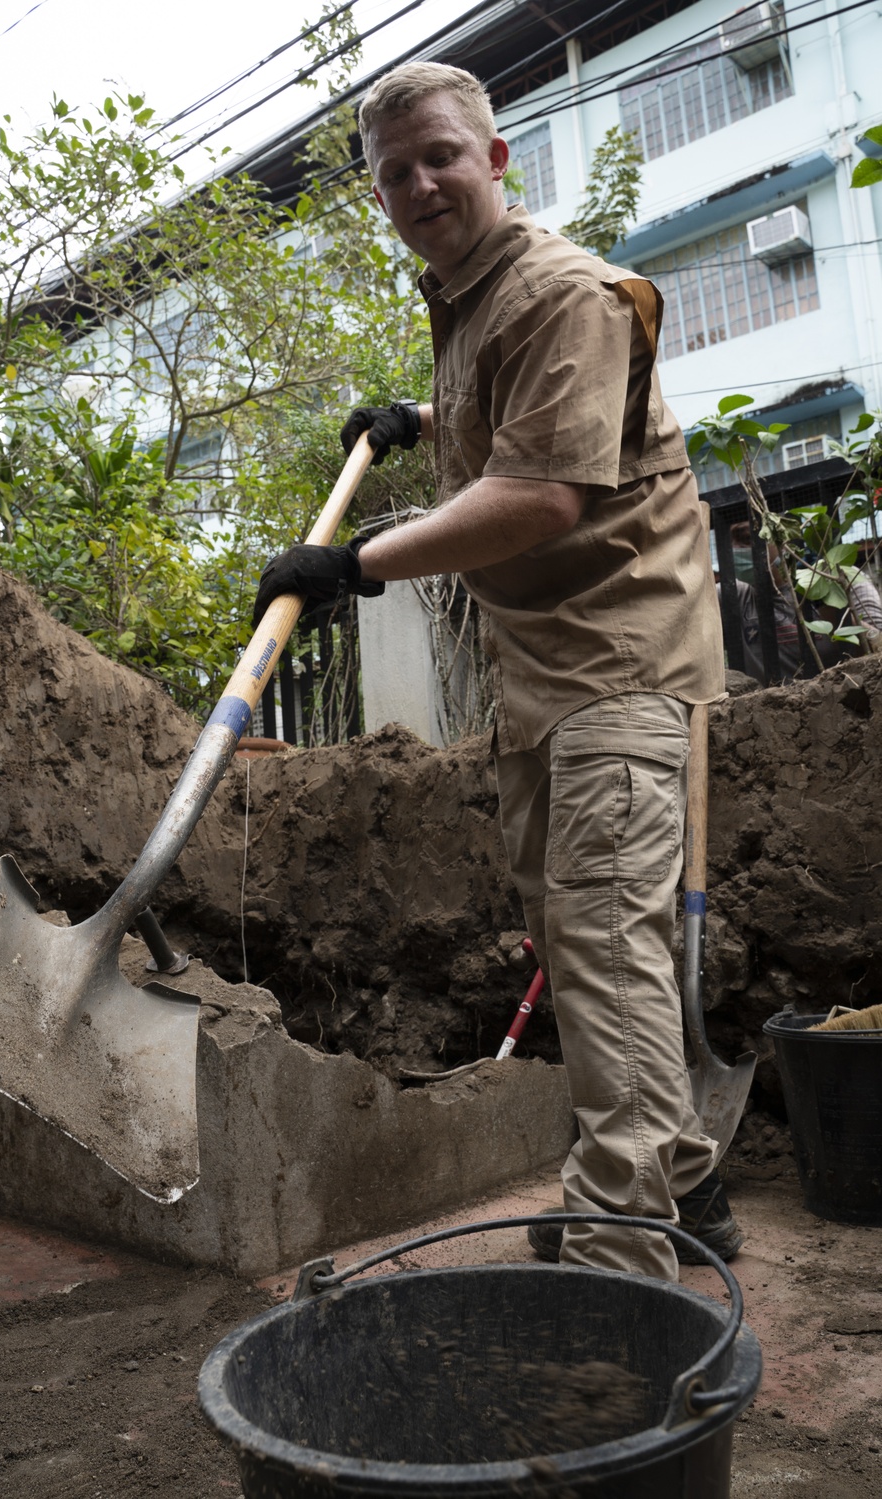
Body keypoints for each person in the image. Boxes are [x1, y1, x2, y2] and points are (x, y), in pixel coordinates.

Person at [252, 61, 742, 1281]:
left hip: (621, 664)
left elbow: (536, 496)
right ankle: (678, 1181)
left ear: (495, 158)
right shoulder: (472, 301)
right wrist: (417, 424)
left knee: (603, 946)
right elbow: (508, 430)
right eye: (394, 173)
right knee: (577, 937)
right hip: (551, 675)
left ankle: (620, 1265)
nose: (420, 184)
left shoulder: (561, 293)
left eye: (440, 158)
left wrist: (351, 564)